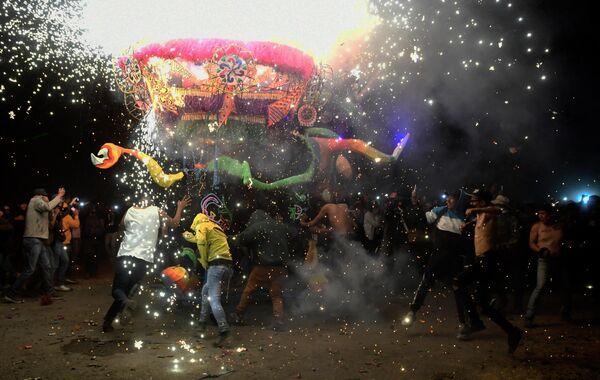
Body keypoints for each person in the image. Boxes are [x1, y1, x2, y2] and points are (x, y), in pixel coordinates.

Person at [402, 190, 483, 341]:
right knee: (425, 282)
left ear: (458, 202)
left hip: (455, 260)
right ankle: (412, 312)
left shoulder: (468, 216)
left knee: (459, 288)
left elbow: (472, 240)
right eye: (448, 199)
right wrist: (414, 202)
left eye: (451, 199)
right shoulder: (441, 211)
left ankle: (467, 324)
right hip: (437, 257)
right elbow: (421, 218)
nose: (448, 202)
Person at [102, 195, 190, 333]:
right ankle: (108, 321)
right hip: (143, 260)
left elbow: (121, 228)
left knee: (117, 291)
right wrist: (180, 207)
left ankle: (125, 305)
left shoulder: (129, 210)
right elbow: (174, 223)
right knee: (126, 292)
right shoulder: (157, 211)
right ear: (151, 202)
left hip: (126, 256)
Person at [454, 189, 524, 353]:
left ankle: (475, 322)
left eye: (475, 201)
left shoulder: (490, 211)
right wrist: (469, 224)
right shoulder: (480, 214)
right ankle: (512, 332)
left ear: (483, 202)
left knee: (458, 282)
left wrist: (477, 210)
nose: (472, 203)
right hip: (482, 260)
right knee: (483, 303)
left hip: (488, 258)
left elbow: (497, 210)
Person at [230, 209, 293, 330]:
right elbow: (292, 233)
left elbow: (241, 239)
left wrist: (229, 238)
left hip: (262, 267)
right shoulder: (279, 226)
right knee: (276, 295)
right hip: (280, 268)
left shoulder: (257, 227)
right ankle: (278, 320)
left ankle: (238, 314)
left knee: (249, 290)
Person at [4, 188, 65, 303]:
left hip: (39, 240)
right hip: (33, 240)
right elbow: (47, 206)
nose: (48, 199)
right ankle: (11, 293)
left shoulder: (41, 206)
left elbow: (49, 219)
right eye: (46, 196)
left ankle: (49, 292)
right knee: (30, 269)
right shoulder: (35, 200)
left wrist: (56, 208)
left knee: (47, 267)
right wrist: (59, 196)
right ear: (41, 196)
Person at [183, 211, 233, 347]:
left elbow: (202, 244)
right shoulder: (213, 226)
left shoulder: (201, 226)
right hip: (227, 265)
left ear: (196, 222)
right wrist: (191, 237)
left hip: (215, 266)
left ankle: (224, 331)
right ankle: (202, 325)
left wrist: (204, 262)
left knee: (213, 299)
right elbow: (203, 239)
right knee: (205, 293)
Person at [524, 205, 570, 326]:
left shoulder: (560, 226)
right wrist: (540, 250)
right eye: (539, 213)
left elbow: (566, 240)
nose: (541, 216)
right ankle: (529, 315)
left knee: (566, 286)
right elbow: (531, 243)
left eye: (543, 213)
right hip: (544, 260)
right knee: (541, 286)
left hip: (560, 260)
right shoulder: (537, 226)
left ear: (550, 214)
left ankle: (566, 312)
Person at [52, 201, 80, 291]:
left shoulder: (59, 216)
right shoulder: (65, 216)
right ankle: (53, 285)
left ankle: (59, 282)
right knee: (57, 264)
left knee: (64, 262)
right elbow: (76, 225)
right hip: (62, 242)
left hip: (60, 242)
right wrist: (76, 215)